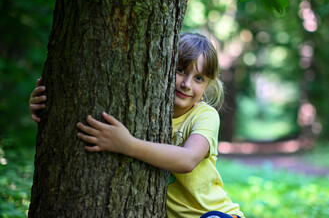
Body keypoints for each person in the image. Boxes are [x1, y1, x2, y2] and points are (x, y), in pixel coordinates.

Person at [29, 33, 245, 218]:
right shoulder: (143, 106)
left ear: (208, 86)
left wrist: (127, 144)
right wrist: (50, 107)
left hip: (215, 214)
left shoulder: (205, 115)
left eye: (198, 78)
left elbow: (187, 159)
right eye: (180, 70)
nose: (187, 84)